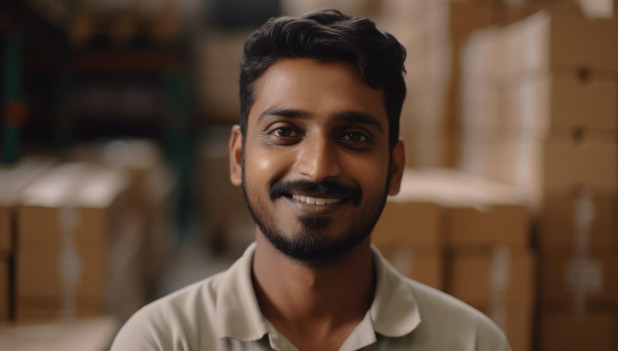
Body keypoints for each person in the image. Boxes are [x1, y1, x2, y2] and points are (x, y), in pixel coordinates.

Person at [110, 9, 512, 351]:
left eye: (354, 137)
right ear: (238, 157)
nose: (318, 168)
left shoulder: (472, 342)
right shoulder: (162, 341)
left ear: (395, 167)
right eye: (285, 131)